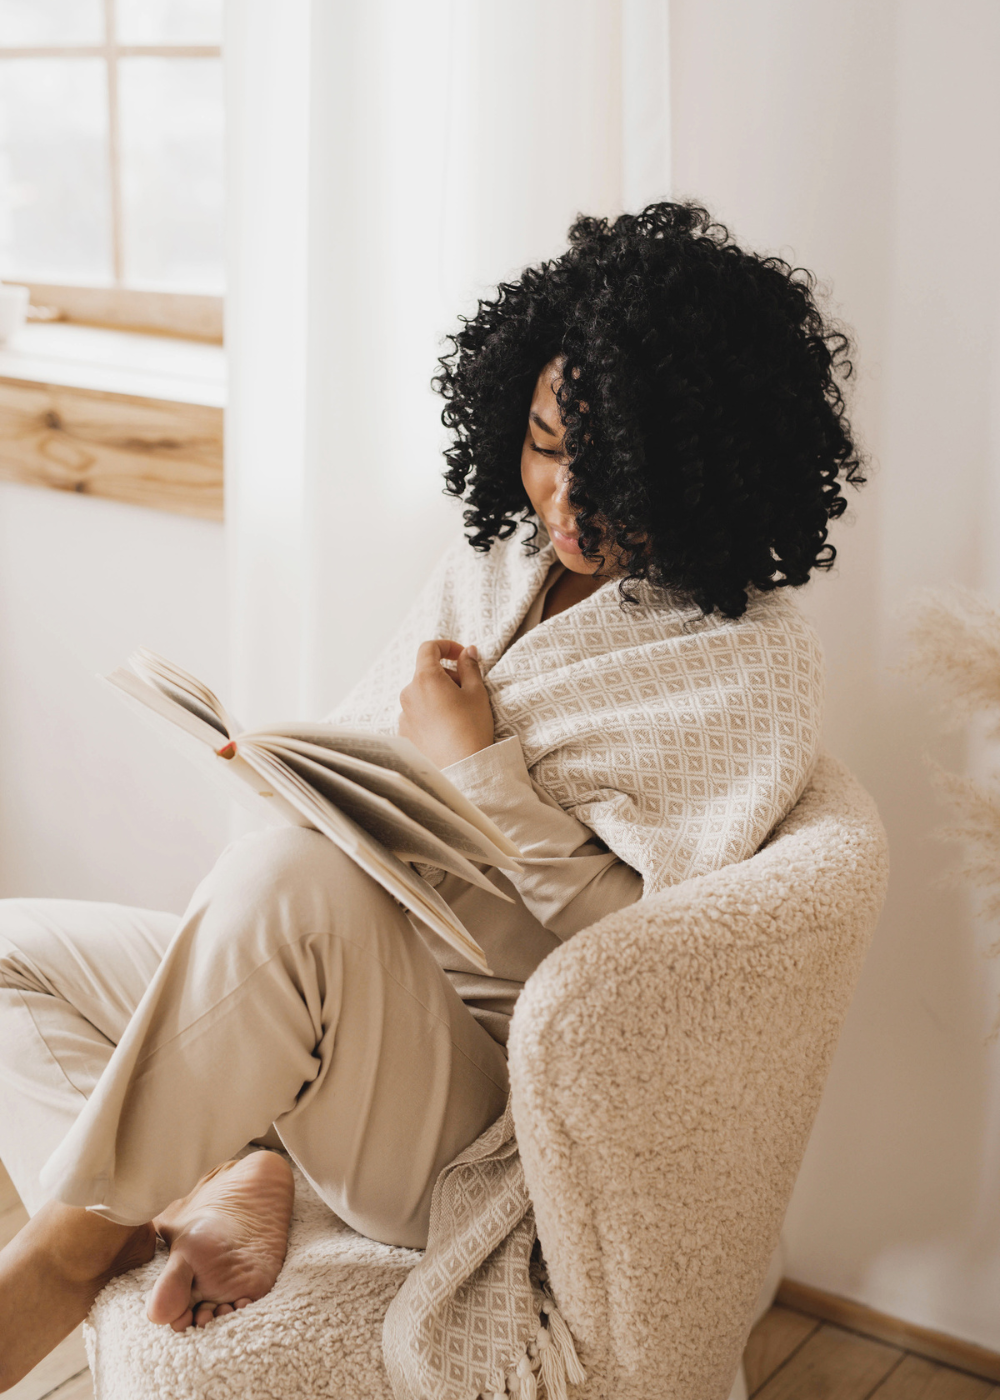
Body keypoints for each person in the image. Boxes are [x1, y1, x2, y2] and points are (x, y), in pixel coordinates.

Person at [0, 201, 863, 1391]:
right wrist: (290, 769)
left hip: (478, 1106)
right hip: (328, 995)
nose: (566, 502)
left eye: (620, 476)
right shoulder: (497, 557)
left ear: (714, 465)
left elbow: (650, 979)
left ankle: (60, 1250)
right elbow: (362, 763)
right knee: (13, 945)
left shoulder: (747, 660)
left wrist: (476, 769)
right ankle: (205, 1172)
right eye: (549, 441)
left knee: (289, 883)